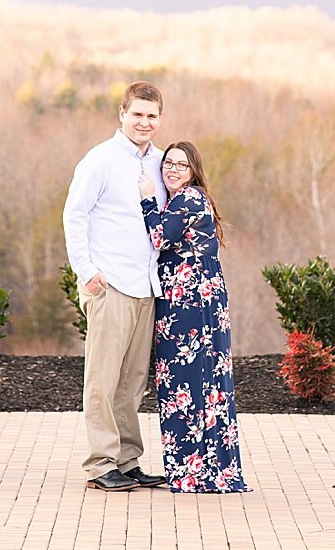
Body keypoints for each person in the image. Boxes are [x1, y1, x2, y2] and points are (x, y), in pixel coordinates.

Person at [63, 80, 170, 492]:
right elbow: (75, 215)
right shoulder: (100, 160)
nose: (144, 122)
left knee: (132, 384)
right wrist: (86, 271)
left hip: (146, 287)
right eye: (137, 114)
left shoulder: (161, 163)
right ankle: (101, 463)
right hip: (110, 285)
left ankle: (127, 461)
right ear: (122, 114)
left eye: (152, 116)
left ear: (159, 120)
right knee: (103, 381)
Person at [138, 141, 248, 494]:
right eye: (168, 163)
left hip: (192, 306)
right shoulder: (183, 200)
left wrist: (145, 198)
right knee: (193, 383)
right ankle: (199, 468)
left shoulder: (189, 199)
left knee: (186, 382)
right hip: (192, 302)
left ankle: (195, 471)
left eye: (181, 166)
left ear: (193, 171)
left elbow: (158, 237)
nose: (172, 169)